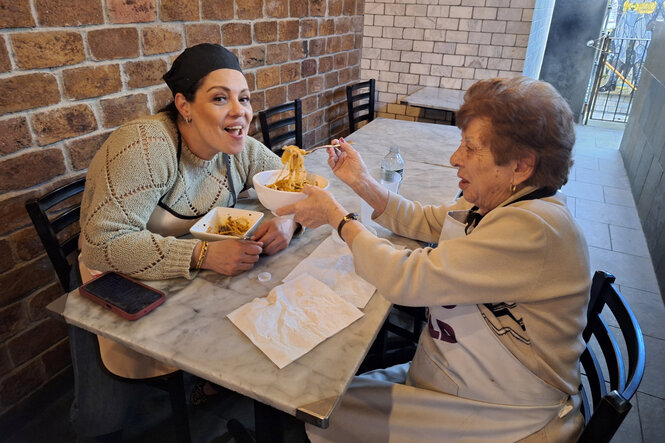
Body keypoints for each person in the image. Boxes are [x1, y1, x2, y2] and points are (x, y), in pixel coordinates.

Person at [277, 77, 591, 442]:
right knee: (323, 399)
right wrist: (361, 180)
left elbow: (406, 279)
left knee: (320, 415)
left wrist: (338, 218)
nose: (455, 158)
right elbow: (426, 221)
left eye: (471, 149)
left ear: (520, 167)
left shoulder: (534, 229)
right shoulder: (497, 200)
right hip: (452, 372)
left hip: (506, 411)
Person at [76, 43, 299, 423]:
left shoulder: (237, 147)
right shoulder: (146, 146)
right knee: (108, 416)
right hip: (120, 279)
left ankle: (215, 384)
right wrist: (202, 255)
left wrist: (289, 219)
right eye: (219, 98)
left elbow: (292, 182)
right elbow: (102, 244)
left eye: (243, 98)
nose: (239, 112)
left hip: (188, 281)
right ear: (184, 106)